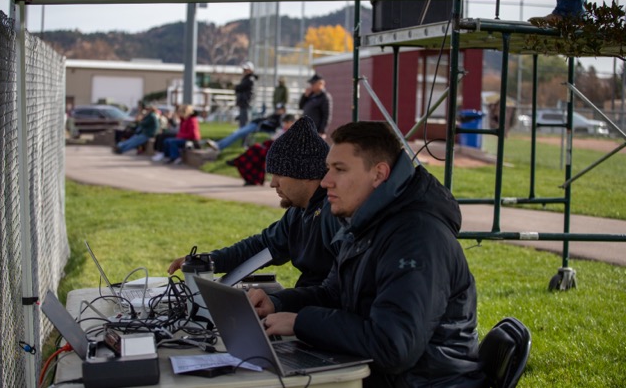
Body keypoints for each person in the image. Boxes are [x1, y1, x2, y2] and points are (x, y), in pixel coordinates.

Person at [249, 121, 485, 388]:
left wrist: (301, 322)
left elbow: (392, 346)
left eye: (339, 170)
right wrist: (277, 303)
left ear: (378, 174)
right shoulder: (366, 223)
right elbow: (332, 294)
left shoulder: (417, 238)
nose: (326, 181)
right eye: (328, 169)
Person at [169, 116, 339, 288]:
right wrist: (208, 261)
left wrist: (280, 303)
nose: (273, 183)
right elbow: (261, 246)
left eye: (279, 174)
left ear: (307, 174)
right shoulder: (298, 212)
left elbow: (333, 292)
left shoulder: (333, 213)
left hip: (317, 308)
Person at [227, 114, 296, 186]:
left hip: (279, 152)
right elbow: (272, 140)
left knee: (256, 149)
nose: (285, 125)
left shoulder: (293, 133)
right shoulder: (282, 131)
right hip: (271, 148)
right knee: (255, 153)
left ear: (292, 122)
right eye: (284, 123)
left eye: (287, 123)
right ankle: (250, 177)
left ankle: (238, 161)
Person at [205, 104, 286, 153]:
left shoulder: (281, 118)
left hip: (258, 126)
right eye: (277, 109)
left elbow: (277, 127)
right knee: (236, 133)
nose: (278, 111)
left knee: (237, 133)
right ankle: (218, 145)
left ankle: (218, 146)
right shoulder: (273, 115)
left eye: (280, 109)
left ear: (283, 110)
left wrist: (262, 122)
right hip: (255, 124)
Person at [298, 73, 332, 138]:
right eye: (311, 84)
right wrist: (304, 96)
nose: (311, 86)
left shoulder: (325, 97)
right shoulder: (310, 95)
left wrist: (322, 131)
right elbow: (300, 106)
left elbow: (326, 116)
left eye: (313, 83)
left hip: (315, 130)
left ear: (320, 84)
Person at [235, 61, 258, 128]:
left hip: (246, 103)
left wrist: (237, 87)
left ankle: (246, 138)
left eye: (246, 70)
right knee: (242, 122)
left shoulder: (250, 79)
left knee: (245, 122)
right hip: (244, 103)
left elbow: (240, 88)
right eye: (244, 70)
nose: (244, 71)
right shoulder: (246, 79)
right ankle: (244, 137)